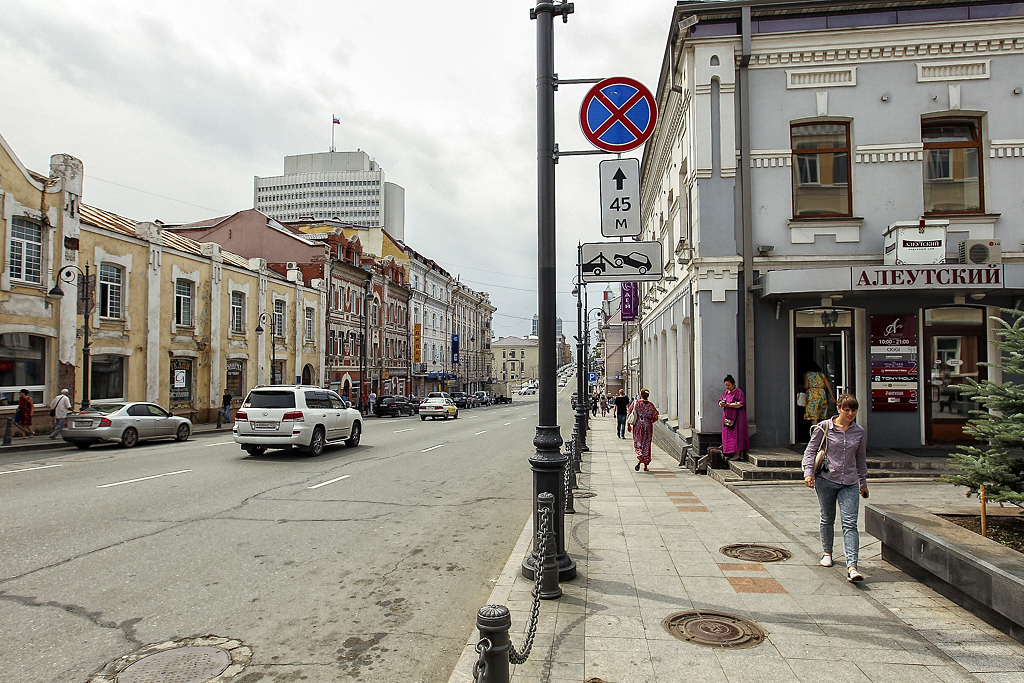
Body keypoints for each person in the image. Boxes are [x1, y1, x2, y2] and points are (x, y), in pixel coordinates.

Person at [803, 393, 869, 583]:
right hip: (826, 479)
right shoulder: (825, 427)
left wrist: (863, 483)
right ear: (838, 408)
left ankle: (852, 567)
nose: (850, 413)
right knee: (827, 518)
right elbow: (810, 451)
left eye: (854, 410)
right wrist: (809, 472)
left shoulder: (859, 432)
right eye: (846, 409)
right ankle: (827, 553)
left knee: (850, 524)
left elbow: (860, 459)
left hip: (849, 482)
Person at [627, 388, 658, 471]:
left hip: (637, 427)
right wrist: (650, 422)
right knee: (647, 444)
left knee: (639, 443)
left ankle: (639, 458)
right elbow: (655, 417)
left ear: (640, 395)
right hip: (647, 427)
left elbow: (629, 413)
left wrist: (628, 425)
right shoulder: (650, 405)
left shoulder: (635, 403)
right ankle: (645, 465)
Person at [719, 375, 749, 461]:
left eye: (729, 385)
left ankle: (737, 454)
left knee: (736, 435)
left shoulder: (738, 392)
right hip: (727, 417)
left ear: (733, 384)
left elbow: (741, 403)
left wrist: (729, 405)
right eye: (726, 385)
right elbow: (721, 400)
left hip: (737, 417)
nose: (728, 387)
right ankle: (730, 452)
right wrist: (721, 403)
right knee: (728, 435)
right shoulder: (726, 392)